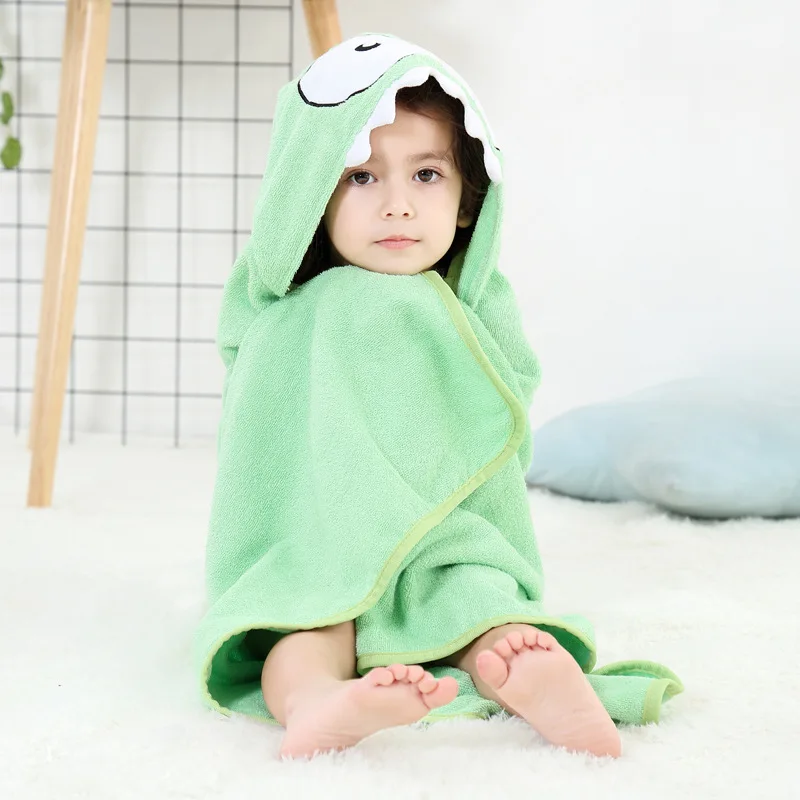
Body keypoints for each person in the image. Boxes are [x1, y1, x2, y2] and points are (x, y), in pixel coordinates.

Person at [195, 34, 681, 762]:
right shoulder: (295, 313)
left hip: (444, 540)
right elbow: (265, 419)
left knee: (481, 604)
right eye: (361, 178)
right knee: (306, 628)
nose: (397, 206)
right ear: (311, 198)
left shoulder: (468, 305)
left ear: (465, 203)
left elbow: (504, 395)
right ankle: (315, 699)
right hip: (322, 538)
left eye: (426, 174)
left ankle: (521, 669)